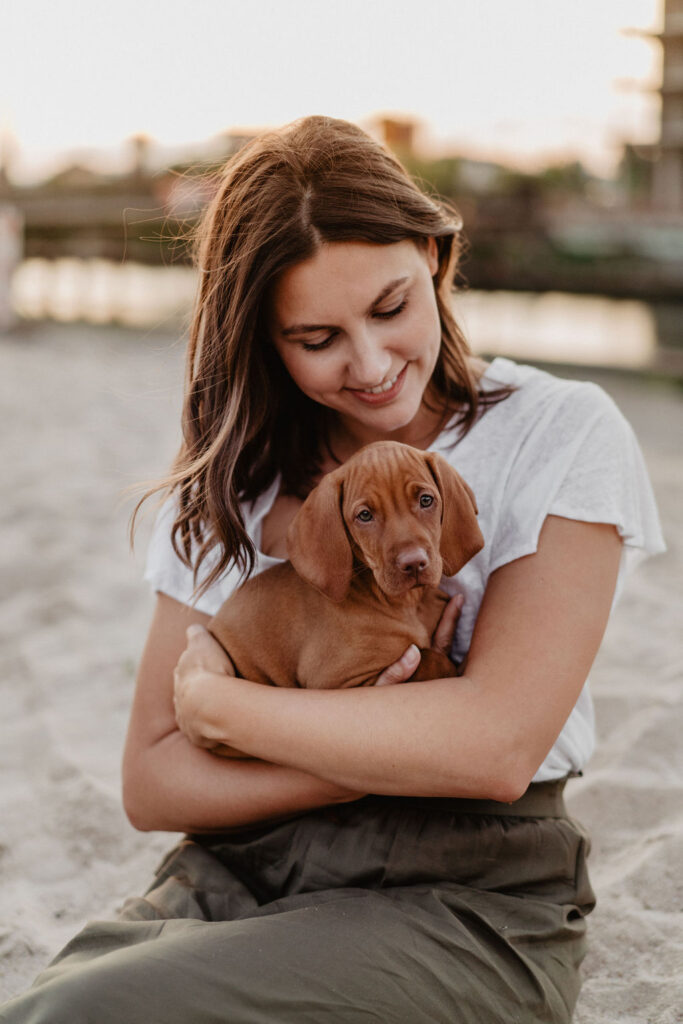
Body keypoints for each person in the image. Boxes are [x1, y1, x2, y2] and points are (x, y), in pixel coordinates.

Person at [0, 116, 664, 1024]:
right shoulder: (236, 480)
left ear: (434, 255)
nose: (371, 364)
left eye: (389, 308)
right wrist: (370, 754)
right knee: (57, 1008)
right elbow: (153, 783)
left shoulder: (560, 432)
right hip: (236, 864)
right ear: (266, 341)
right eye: (316, 338)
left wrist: (228, 709)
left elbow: (496, 749)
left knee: (95, 1013)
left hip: (465, 889)